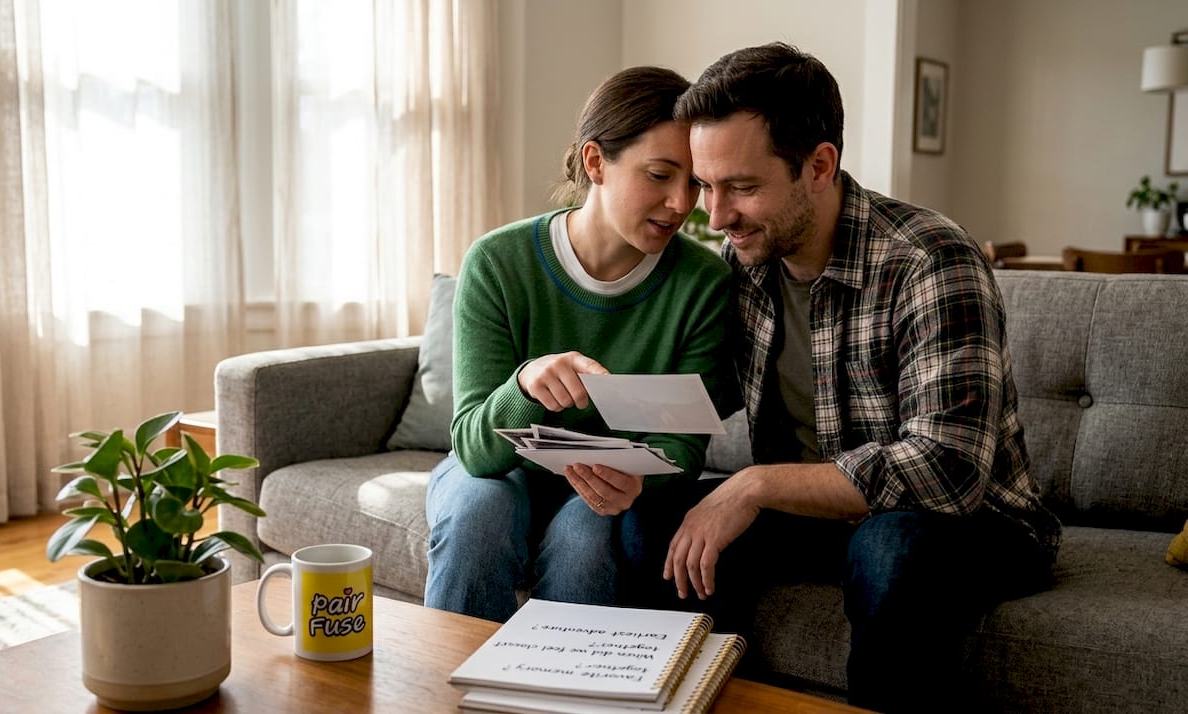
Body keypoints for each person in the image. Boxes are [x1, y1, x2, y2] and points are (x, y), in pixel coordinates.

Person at [628, 43, 1063, 712]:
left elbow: (947, 469)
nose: (715, 216)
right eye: (707, 186)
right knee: (656, 522)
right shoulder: (746, 261)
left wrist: (754, 485)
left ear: (819, 166)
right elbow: (698, 396)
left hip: (973, 523)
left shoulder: (929, 260)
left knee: (891, 546)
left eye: (741, 187)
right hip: (818, 515)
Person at [424, 66, 735, 623]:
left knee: (586, 540)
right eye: (660, 175)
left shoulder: (703, 284)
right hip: (501, 471)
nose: (680, 203)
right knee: (478, 512)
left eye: (695, 183)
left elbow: (684, 446)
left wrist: (641, 475)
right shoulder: (498, 263)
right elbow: (473, 448)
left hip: (608, 485)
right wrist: (524, 385)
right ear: (595, 163)